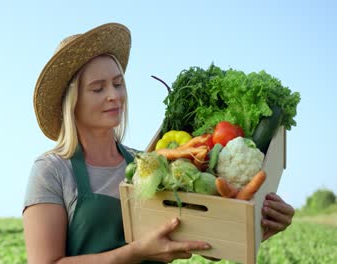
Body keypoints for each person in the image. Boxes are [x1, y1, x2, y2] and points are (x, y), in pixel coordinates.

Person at [22, 22, 295, 263]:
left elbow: (205, 239)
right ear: (72, 102)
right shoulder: (52, 171)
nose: (114, 96)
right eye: (98, 88)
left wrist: (261, 225)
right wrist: (134, 253)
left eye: (118, 84)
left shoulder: (152, 164)